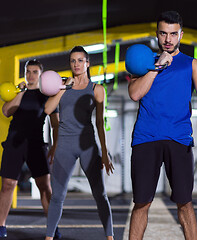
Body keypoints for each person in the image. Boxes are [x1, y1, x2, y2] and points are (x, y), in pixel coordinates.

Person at [128, 10, 197, 240]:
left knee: (185, 202)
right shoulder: (144, 62)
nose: (168, 39)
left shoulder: (192, 64)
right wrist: (157, 67)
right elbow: (134, 94)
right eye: (163, 33)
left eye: (173, 34)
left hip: (178, 138)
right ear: (157, 34)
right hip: (146, 138)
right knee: (141, 202)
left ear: (181, 34)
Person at [44, 46, 114, 240]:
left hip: (88, 146)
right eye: (73, 61)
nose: (76, 64)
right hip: (65, 146)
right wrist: (64, 88)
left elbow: (100, 123)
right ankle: (48, 237)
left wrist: (105, 152)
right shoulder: (61, 86)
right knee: (57, 196)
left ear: (87, 63)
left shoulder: (97, 89)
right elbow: (48, 109)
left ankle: (110, 237)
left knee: (100, 195)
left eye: (80, 60)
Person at [0, 59, 61, 238]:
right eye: (28, 71)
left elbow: (55, 125)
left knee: (44, 185)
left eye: (35, 72)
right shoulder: (18, 93)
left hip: (35, 144)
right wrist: (22, 91)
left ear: (41, 75)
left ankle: (52, 226)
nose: (31, 75)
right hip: (14, 144)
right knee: (7, 185)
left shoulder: (48, 95)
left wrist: (55, 146)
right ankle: (1, 225)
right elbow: (6, 111)